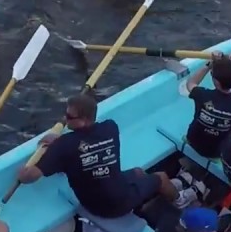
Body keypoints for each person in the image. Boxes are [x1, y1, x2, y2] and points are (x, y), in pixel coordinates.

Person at [16, 92, 177, 219]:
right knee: (161, 177)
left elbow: (28, 177)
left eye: (70, 117)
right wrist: (59, 143)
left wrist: (24, 168)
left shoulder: (63, 146)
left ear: (84, 120)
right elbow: (82, 145)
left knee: (138, 172)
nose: (65, 120)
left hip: (95, 204)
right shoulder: (110, 128)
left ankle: (170, 201)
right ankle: (178, 198)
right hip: (113, 202)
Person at [184, 52, 231, 160]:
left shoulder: (202, 95)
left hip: (192, 140)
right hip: (215, 152)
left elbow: (191, 83)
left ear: (216, 82)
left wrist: (209, 64)